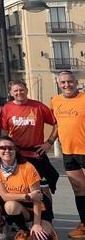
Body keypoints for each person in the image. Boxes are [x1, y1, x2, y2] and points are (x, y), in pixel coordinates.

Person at [0, 136, 57, 240]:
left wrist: (36, 224)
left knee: (40, 237)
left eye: (10, 148)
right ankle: (24, 229)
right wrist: (27, 196)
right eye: (3, 148)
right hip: (19, 205)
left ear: (15, 150)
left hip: (39, 207)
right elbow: (4, 196)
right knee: (9, 206)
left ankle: (45, 227)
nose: (7, 150)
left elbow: (37, 198)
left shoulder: (27, 167)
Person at [0, 79, 59, 194]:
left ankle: (47, 212)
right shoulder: (7, 108)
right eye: (15, 91)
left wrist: (49, 142)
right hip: (17, 153)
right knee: (22, 187)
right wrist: (5, 150)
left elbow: (57, 123)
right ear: (11, 93)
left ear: (26, 90)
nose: (19, 92)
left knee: (43, 188)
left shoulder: (38, 106)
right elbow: (3, 132)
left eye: (21, 90)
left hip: (36, 153)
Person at [50, 71, 85, 238]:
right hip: (69, 152)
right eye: (63, 82)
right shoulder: (55, 101)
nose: (66, 85)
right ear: (58, 84)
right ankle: (84, 224)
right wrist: (49, 142)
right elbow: (57, 125)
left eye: (70, 81)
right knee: (79, 189)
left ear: (76, 82)